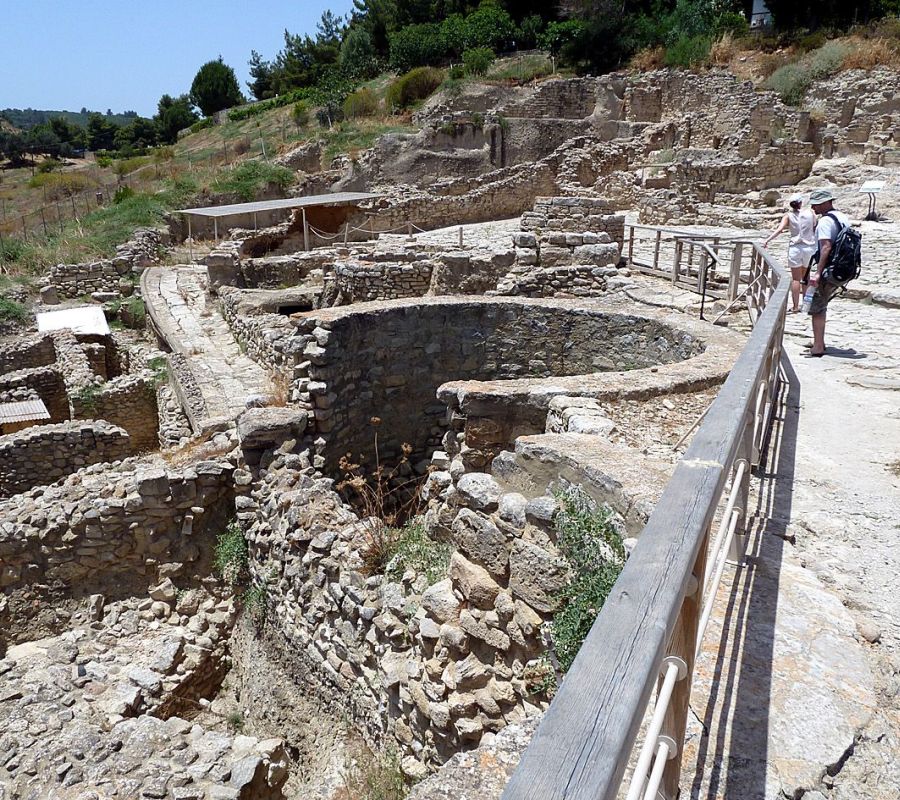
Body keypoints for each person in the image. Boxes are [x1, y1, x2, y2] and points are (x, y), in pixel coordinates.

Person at [806, 188, 850, 357]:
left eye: (816, 205)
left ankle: (818, 345)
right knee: (822, 304)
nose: (814, 209)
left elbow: (826, 247)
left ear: (825, 203)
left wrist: (818, 272)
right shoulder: (842, 217)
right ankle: (819, 340)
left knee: (817, 307)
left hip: (828, 270)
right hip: (841, 269)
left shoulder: (825, 221)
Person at [764, 193, 817, 312]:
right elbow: (815, 227)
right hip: (809, 248)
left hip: (795, 248)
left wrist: (768, 240)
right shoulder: (811, 213)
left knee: (796, 279)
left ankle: (795, 306)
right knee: (806, 277)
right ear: (801, 202)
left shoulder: (788, 216)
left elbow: (780, 229)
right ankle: (806, 305)